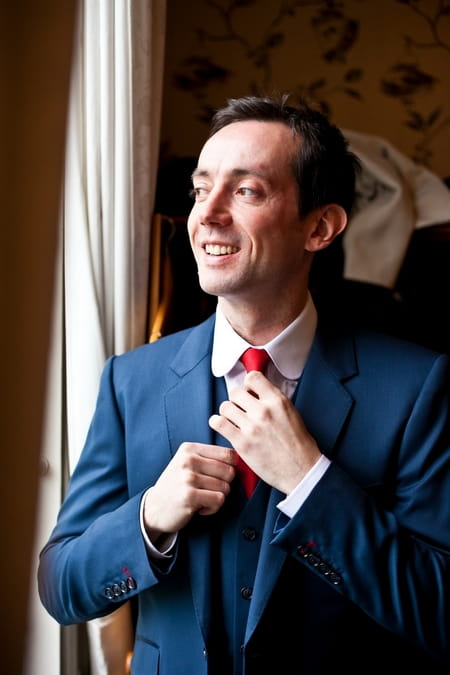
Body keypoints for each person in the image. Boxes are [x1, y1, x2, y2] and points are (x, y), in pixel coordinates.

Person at [38, 95, 450, 674]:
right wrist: (150, 517)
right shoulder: (131, 380)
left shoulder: (416, 386)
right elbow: (60, 588)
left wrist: (310, 482)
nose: (208, 213)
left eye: (247, 190)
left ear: (320, 226)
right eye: (200, 190)